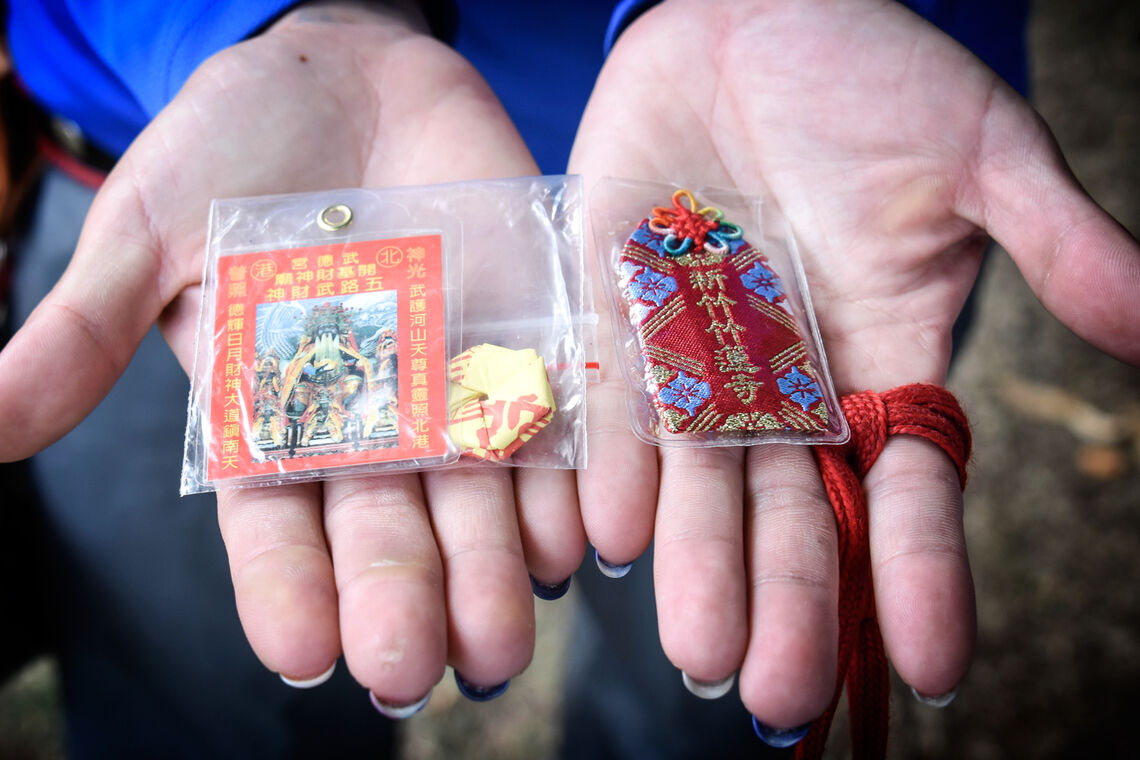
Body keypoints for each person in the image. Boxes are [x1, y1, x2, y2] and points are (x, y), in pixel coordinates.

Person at [2, 0, 1137, 757]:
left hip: (806, 176)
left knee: (713, 661)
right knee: (204, 698)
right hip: (215, 162)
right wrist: (244, 17)